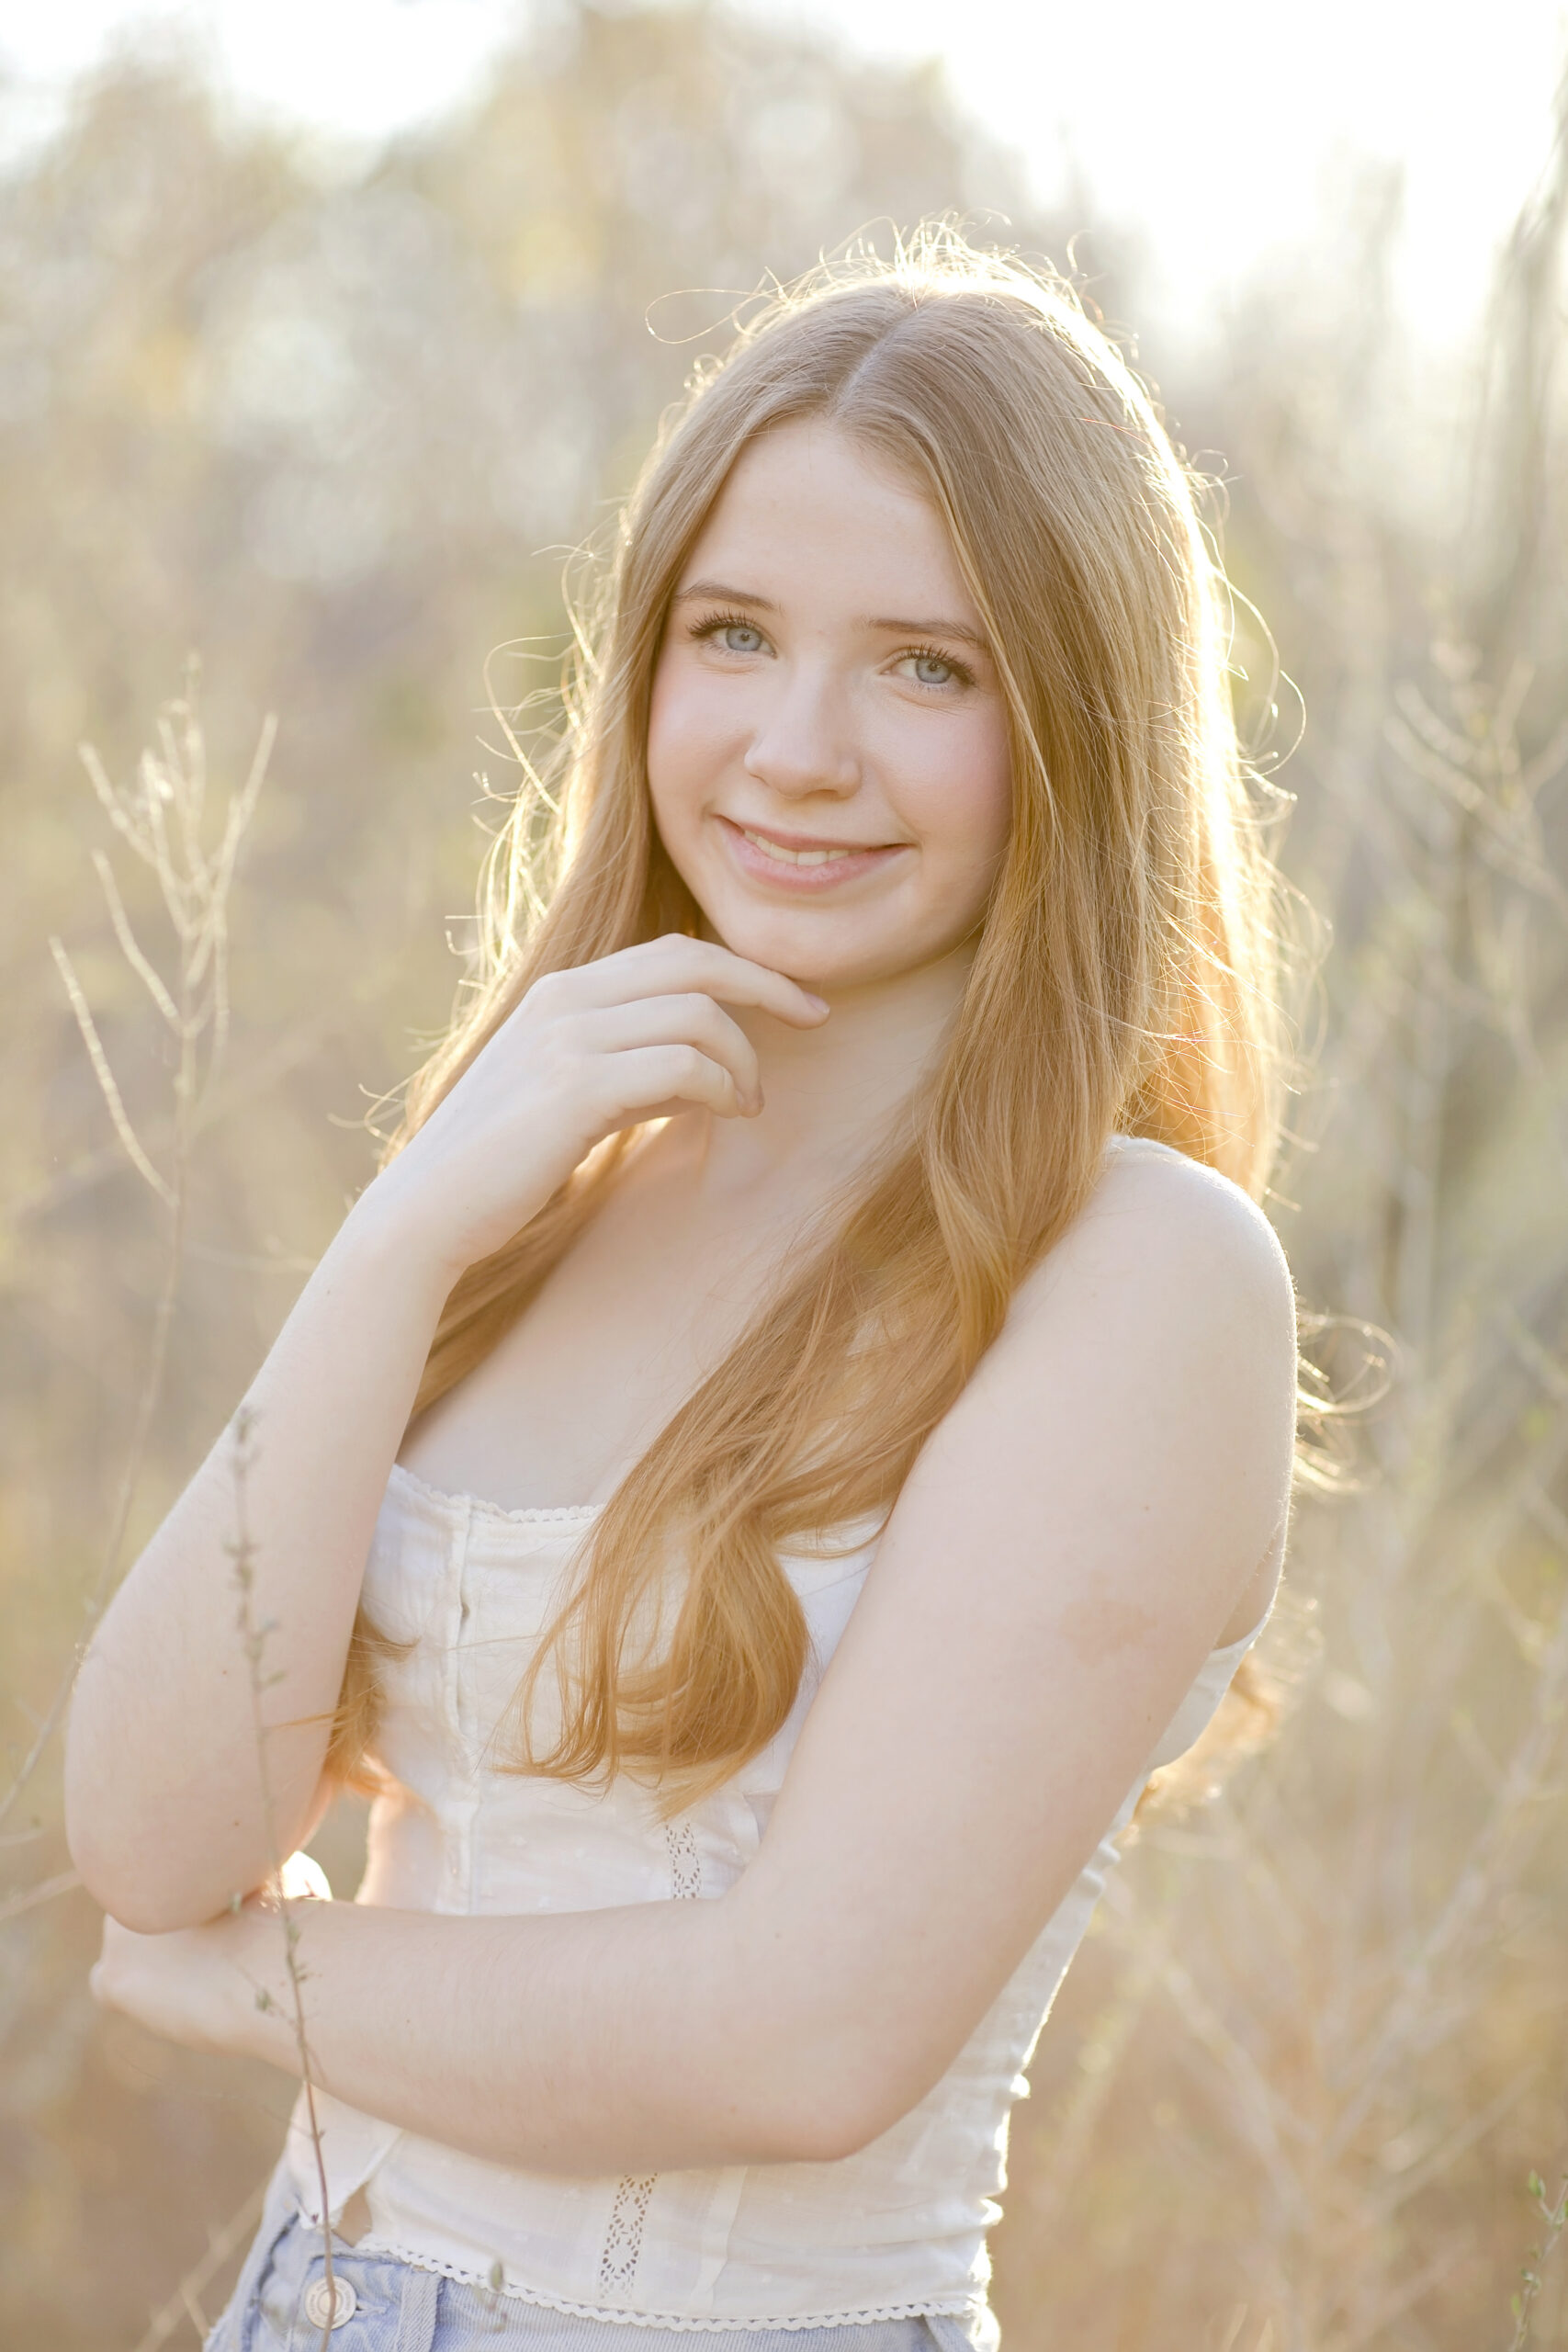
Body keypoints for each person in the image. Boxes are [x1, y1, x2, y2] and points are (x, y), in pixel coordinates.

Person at [66, 232, 1300, 2352]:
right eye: (732, 634)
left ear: (1073, 722)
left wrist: (249, 1983)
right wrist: (401, 1235)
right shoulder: (546, 1175)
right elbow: (156, 1825)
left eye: (928, 665)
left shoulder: (1138, 1275)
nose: (795, 748)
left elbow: (800, 2037)